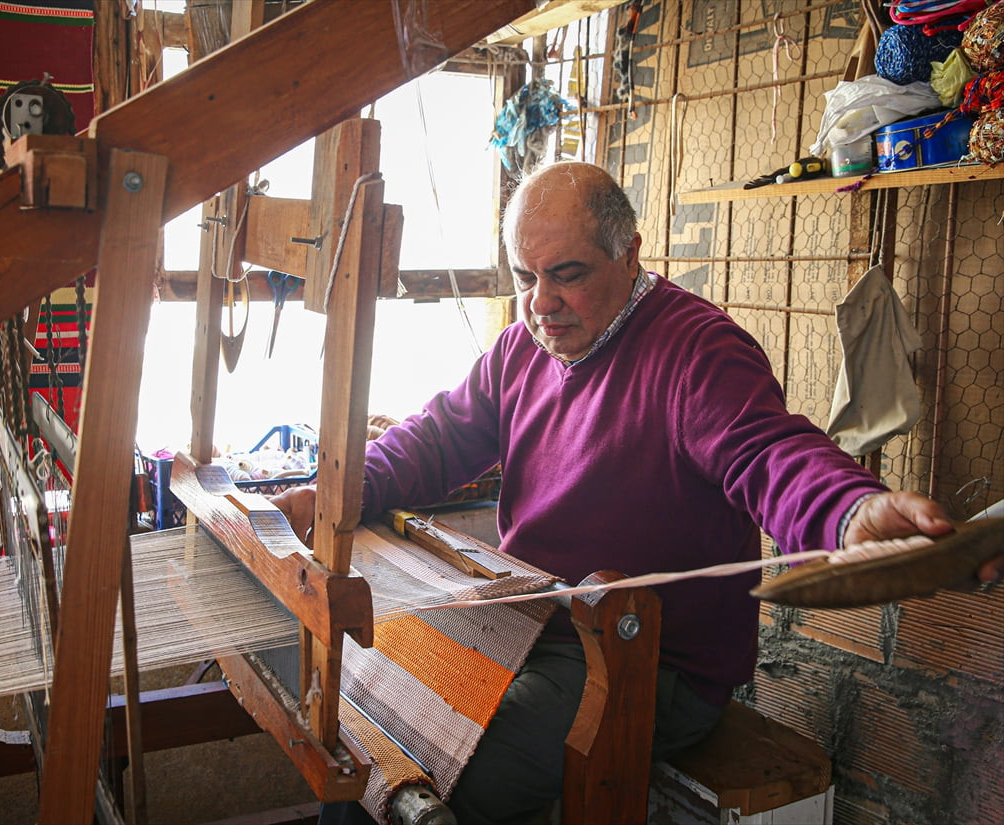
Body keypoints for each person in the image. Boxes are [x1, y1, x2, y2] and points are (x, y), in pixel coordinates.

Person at [272, 161, 1002, 825]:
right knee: (368, 733)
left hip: (651, 662)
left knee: (443, 778)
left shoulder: (697, 352)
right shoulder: (521, 347)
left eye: (567, 274)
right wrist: (337, 491)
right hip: (535, 626)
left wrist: (849, 511)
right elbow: (438, 436)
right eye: (524, 276)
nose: (541, 303)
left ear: (631, 253)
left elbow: (769, 451)